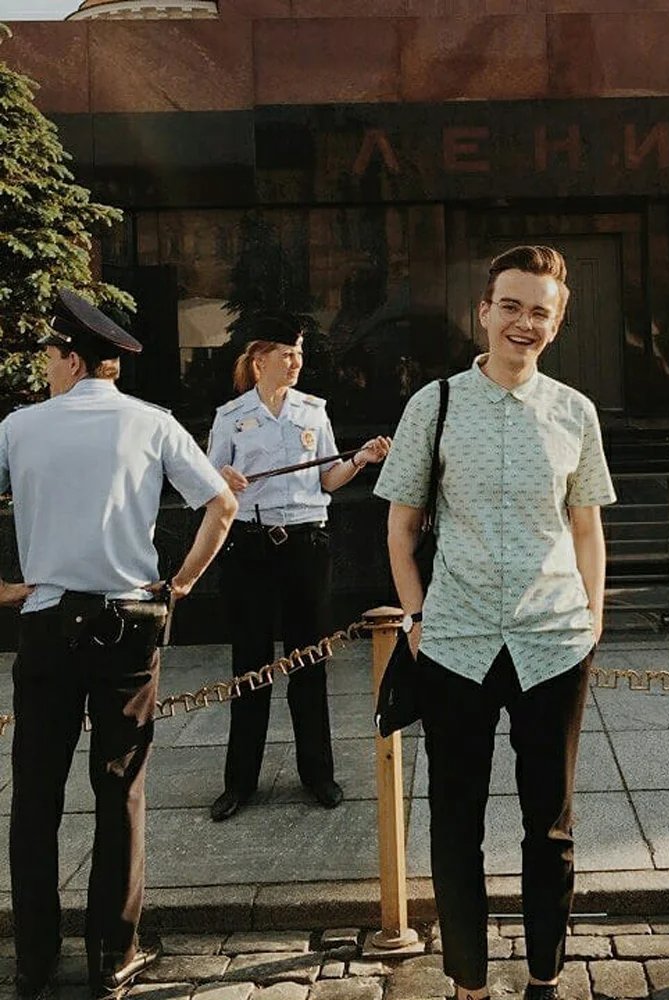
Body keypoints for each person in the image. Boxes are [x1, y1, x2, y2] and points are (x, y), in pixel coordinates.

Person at [375, 246, 616, 1000]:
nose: (523, 322)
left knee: (552, 827)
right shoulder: (435, 404)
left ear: (557, 323)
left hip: (553, 643)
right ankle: (469, 986)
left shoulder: (575, 412)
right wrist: (417, 618)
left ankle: (545, 978)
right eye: (510, 306)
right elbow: (401, 527)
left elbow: (586, 526)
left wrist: (593, 618)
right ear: (483, 312)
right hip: (456, 643)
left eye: (540, 311)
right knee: (456, 826)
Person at [1, 289, 238, 1000]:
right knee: (120, 790)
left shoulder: (18, 427)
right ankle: (113, 953)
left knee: (35, 794)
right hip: (127, 625)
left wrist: (2, 588)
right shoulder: (152, 423)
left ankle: (34, 958)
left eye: (50, 355)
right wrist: (181, 584)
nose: (46, 366)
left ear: (73, 359)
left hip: (47, 621)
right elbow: (222, 504)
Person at [206, 315, 390, 822]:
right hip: (251, 547)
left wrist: (361, 460)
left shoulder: (313, 411)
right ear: (259, 361)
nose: (296, 363)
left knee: (309, 661)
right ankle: (240, 782)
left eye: (300, 354)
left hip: (306, 546)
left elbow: (328, 479)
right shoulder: (231, 416)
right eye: (287, 354)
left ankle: (318, 774)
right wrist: (222, 479)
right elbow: (207, 482)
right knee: (250, 666)